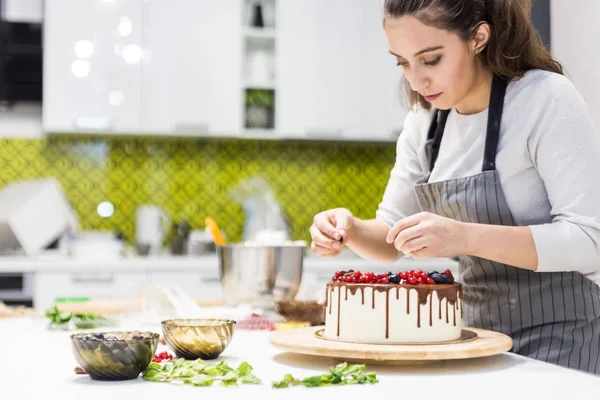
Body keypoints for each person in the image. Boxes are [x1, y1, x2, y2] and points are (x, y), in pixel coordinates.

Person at [309, 0, 600, 375]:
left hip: (565, 340)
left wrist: (463, 237)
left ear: (479, 37)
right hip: (477, 343)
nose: (416, 80)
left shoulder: (545, 98)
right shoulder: (425, 123)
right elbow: (389, 239)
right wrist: (349, 228)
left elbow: (591, 241)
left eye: (431, 60)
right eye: (402, 62)